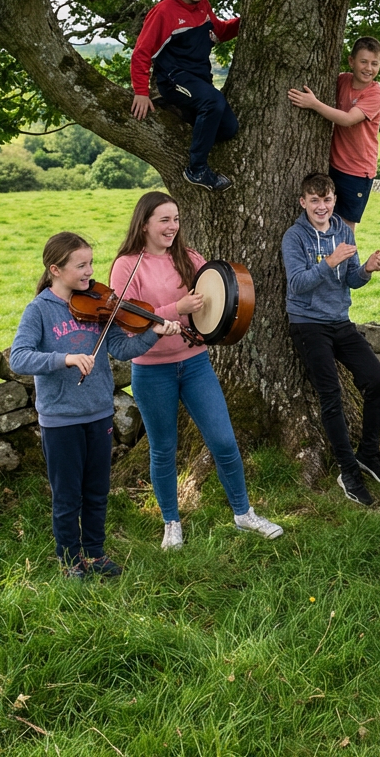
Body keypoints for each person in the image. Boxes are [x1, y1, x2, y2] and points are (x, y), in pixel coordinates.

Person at [110, 192, 283, 549]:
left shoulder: (190, 258)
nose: (173, 227)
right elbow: (127, 321)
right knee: (163, 449)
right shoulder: (127, 265)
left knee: (223, 440)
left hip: (194, 363)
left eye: (176, 219)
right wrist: (177, 307)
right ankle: (171, 522)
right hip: (152, 371)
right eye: (164, 220)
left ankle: (243, 513)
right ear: (144, 223)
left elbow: (213, 302)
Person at [10, 233, 182, 577]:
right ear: (55, 269)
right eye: (81, 265)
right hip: (61, 419)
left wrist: (153, 334)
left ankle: (95, 553)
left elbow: (120, 349)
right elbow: (18, 358)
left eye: (91, 263)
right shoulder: (39, 311)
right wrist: (65, 358)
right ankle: (70, 560)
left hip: (99, 412)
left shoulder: (98, 305)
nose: (90, 272)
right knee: (67, 496)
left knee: (97, 491)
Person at [282, 172, 380, 506]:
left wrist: (367, 269)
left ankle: (368, 454)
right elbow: (297, 284)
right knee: (331, 394)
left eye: (327, 199)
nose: (322, 206)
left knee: (377, 381)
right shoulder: (295, 237)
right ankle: (348, 472)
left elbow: (353, 280)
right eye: (315, 200)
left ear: (333, 201)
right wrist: (329, 262)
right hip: (308, 324)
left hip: (340, 321)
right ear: (303, 202)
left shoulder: (343, 229)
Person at [129, 0, 240, 193]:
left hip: (199, 81)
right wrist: (141, 91)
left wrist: (245, 21)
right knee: (214, 102)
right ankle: (197, 169)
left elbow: (219, 31)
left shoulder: (203, 7)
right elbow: (141, 53)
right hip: (174, 79)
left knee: (229, 128)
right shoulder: (164, 12)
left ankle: (182, 112)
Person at [288, 37, 380, 229]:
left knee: (345, 226)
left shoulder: (374, 94)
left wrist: (313, 104)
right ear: (351, 61)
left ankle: (348, 260)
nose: (369, 68)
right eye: (363, 61)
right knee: (325, 221)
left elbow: (348, 119)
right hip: (333, 165)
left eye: (374, 63)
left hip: (357, 170)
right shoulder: (342, 80)